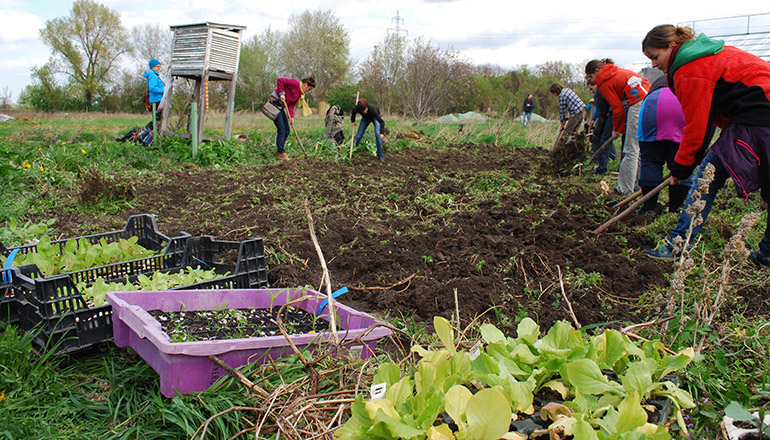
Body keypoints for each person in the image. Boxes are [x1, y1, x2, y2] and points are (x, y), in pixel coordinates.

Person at [640, 24, 770, 268]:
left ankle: (677, 244)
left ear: (672, 46)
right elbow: (708, 120)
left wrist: (681, 169)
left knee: (706, 179)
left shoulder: (690, 68)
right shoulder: (704, 54)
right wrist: (685, 164)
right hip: (760, 113)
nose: (654, 65)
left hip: (758, 114)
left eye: (655, 57)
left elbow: (697, 126)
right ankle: (766, 256)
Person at [585, 59, 650, 195]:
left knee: (630, 148)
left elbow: (617, 108)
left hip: (637, 101)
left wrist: (617, 130)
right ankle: (636, 185)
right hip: (649, 97)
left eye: (591, 77)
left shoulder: (604, 81)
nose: (593, 81)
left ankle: (624, 189)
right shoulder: (615, 72)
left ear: (597, 71)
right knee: (637, 147)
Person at [636, 75, 692, 216]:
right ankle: (675, 209)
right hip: (682, 105)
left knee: (650, 160)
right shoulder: (689, 80)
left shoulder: (659, 80)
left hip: (652, 105)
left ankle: (648, 208)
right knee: (680, 161)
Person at [268, 74, 316, 160]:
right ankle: (280, 152)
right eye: (309, 89)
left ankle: (281, 149)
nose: (308, 91)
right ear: (305, 84)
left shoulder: (299, 95)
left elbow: (290, 106)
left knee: (287, 130)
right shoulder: (295, 83)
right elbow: (280, 80)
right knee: (282, 129)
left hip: (280, 107)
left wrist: (291, 117)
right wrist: (282, 94)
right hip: (274, 103)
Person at [588, 82, 615, 175]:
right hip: (612, 114)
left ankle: (602, 169)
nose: (592, 91)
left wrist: (596, 130)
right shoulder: (599, 93)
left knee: (605, 140)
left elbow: (601, 115)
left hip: (613, 115)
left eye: (592, 88)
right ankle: (608, 161)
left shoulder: (600, 92)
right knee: (607, 138)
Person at [550, 82, 584, 155]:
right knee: (574, 133)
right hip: (582, 111)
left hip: (576, 112)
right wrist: (568, 117)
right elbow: (571, 104)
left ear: (555, 92)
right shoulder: (567, 90)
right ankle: (573, 151)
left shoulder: (562, 96)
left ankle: (555, 151)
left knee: (566, 133)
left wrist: (562, 124)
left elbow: (562, 111)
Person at [351, 98, 386, 162]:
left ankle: (380, 155)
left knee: (377, 134)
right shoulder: (357, 108)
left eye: (365, 109)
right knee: (359, 135)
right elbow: (353, 112)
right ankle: (353, 151)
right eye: (362, 110)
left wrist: (382, 132)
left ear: (367, 106)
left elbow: (382, 122)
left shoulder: (373, 110)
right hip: (365, 119)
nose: (364, 111)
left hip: (375, 118)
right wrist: (353, 121)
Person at [144, 58, 164, 133]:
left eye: (159, 66)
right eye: (157, 67)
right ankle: (145, 131)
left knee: (159, 120)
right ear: (152, 67)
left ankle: (154, 134)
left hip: (158, 100)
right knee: (157, 121)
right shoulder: (153, 76)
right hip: (156, 101)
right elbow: (152, 88)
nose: (159, 68)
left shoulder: (155, 75)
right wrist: (163, 91)